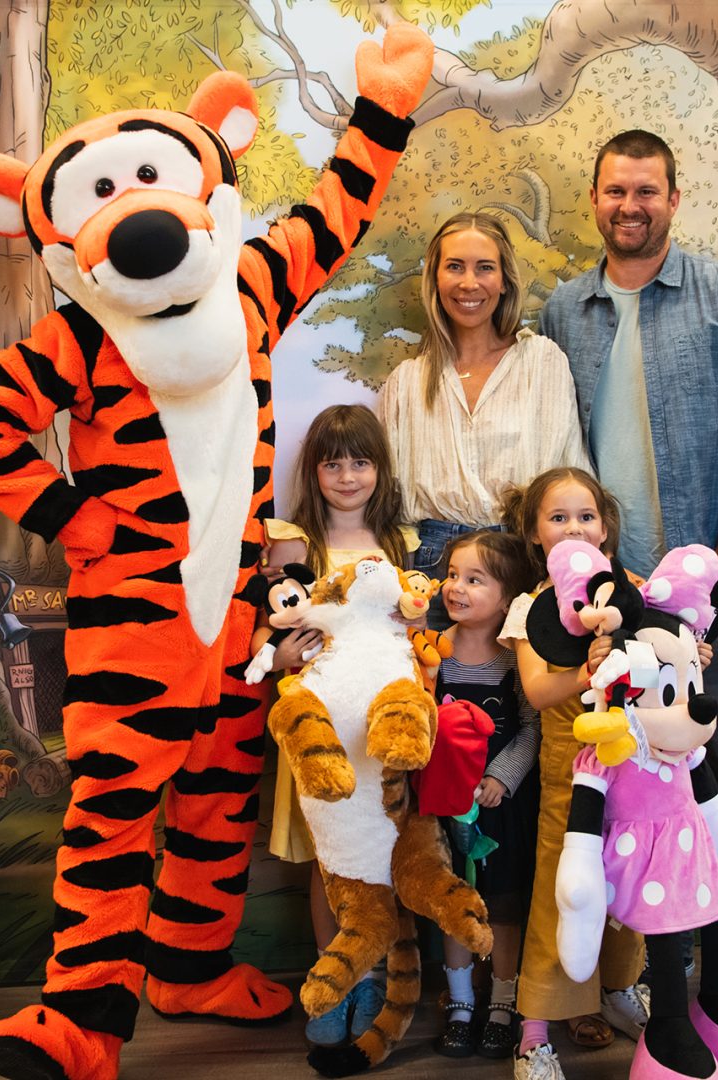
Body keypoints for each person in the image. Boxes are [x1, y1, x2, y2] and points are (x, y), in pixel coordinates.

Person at [539, 128, 718, 1044]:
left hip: (705, 589)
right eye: (615, 191)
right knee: (631, 785)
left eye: (646, 191)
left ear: (673, 200)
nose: (630, 206)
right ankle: (659, 976)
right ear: (597, 199)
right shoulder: (562, 312)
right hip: (612, 605)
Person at [257, 403, 419, 1047]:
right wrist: (283, 658)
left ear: (379, 468)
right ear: (314, 470)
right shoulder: (297, 544)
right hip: (320, 729)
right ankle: (335, 977)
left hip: (383, 730)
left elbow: (415, 627)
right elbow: (267, 625)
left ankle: (374, 972)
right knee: (330, 861)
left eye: (361, 462)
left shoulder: (400, 543)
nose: (347, 476)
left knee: (382, 857)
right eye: (333, 463)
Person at [497, 467, 647, 1080]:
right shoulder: (532, 607)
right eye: (557, 518)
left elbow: (664, 663)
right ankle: (534, 1031)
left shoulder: (632, 590)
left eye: (585, 516)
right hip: (571, 772)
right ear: (535, 534)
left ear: (605, 526)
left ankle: (618, 989)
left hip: (638, 772)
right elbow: (536, 691)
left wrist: (687, 651)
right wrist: (588, 674)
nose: (574, 527)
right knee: (565, 893)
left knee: (630, 887)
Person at [378, 212, 590, 594]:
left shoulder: (542, 362)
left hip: (524, 561)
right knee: (435, 657)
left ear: (505, 280)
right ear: (436, 279)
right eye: (455, 267)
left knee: (524, 658)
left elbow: (570, 475)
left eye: (485, 268)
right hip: (430, 573)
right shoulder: (405, 382)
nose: (469, 283)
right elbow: (380, 504)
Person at [425, 530, 541, 1061]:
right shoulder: (435, 649)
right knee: (455, 904)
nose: (457, 587)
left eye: (475, 579)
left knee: (503, 904)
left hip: (500, 806)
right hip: (446, 806)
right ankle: (461, 1003)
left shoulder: (515, 657)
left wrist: (502, 776)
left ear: (509, 594)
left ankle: (501, 1002)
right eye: (452, 575)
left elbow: (531, 726)